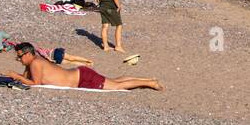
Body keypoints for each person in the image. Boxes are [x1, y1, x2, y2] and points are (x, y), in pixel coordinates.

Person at [12, 42, 162, 91]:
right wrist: (18, 76)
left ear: (27, 54)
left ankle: (149, 83)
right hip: (80, 75)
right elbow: (26, 77)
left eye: (19, 56)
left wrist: (16, 76)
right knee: (115, 80)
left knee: (116, 86)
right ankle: (147, 79)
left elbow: (35, 83)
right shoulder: (34, 61)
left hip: (82, 78)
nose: (18, 59)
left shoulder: (36, 63)